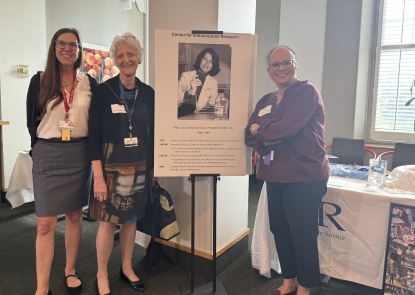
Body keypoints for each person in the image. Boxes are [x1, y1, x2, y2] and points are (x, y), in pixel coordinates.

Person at [244, 45, 330, 295]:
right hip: (274, 175)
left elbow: (287, 129)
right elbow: (248, 136)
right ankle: (288, 281)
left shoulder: (306, 92)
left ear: (295, 65)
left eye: (286, 62)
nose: (281, 68)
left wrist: (261, 129)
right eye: (275, 64)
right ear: (268, 71)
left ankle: (305, 288)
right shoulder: (265, 100)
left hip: (305, 177)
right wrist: (262, 131)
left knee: (302, 234)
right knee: (280, 230)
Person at [26, 28, 97, 295]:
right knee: (45, 223)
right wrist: (39, 149)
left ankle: (70, 269)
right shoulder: (40, 80)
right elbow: (31, 120)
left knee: (75, 214)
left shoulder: (90, 82)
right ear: (54, 47)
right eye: (62, 43)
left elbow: (95, 123)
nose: (67, 48)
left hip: (79, 155)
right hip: (48, 154)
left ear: (79, 51)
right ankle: (42, 287)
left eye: (73, 44)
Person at [88, 32, 154, 295]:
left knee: (131, 220)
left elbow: (154, 133)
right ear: (115, 60)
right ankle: (101, 273)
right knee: (108, 221)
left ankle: (126, 267)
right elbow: (94, 134)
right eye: (121, 55)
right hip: (110, 167)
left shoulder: (148, 93)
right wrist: (98, 177)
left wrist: (154, 169)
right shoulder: (104, 91)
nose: (126, 59)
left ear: (138, 58)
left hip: (139, 165)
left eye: (131, 54)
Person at [177, 47, 220, 118]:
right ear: (200, 59)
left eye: (211, 61)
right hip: (180, 113)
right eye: (205, 59)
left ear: (213, 65)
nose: (207, 63)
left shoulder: (213, 82)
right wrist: (189, 92)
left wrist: (215, 103)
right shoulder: (185, 75)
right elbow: (175, 100)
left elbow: (214, 104)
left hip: (199, 116)